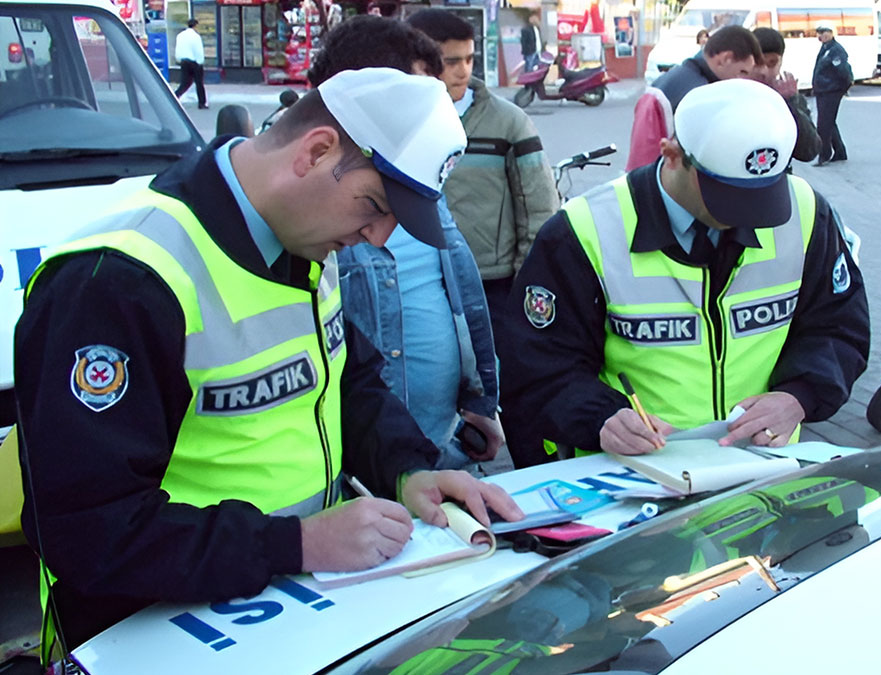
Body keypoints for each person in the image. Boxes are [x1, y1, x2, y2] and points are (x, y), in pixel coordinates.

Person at [15, 68, 523, 657]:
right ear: (316, 151)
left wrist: (409, 471)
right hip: (147, 637)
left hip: (283, 612)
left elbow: (345, 379)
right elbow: (89, 528)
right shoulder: (117, 281)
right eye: (375, 206)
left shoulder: (303, 235)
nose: (377, 237)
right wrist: (297, 544)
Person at [500, 79, 869, 467]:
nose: (746, 216)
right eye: (727, 194)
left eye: (762, 194)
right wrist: (600, 417)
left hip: (761, 464)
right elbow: (536, 364)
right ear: (672, 154)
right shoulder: (586, 229)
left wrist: (799, 397)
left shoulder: (804, 212)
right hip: (633, 473)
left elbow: (838, 325)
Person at [308, 15, 506, 470]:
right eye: (417, 101)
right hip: (368, 467)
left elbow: (461, 292)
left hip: (441, 447)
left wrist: (480, 398)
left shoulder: (415, 174)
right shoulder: (318, 217)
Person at [407, 9, 559, 384]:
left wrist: (525, 279)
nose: (462, 71)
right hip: (418, 283)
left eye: (469, 59)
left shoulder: (508, 122)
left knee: (498, 385)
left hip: (492, 285)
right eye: (451, 61)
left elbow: (539, 207)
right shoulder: (399, 121)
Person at [626, 25, 762, 170]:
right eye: (742, 72)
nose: (743, 80)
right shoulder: (701, 95)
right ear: (725, 59)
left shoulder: (674, 80)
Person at [752, 27, 820, 163]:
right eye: (758, 63)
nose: (764, 71)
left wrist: (790, 103)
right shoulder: (733, 91)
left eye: (772, 63)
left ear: (781, 62)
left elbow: (809, 151)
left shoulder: (789, 96)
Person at [812, 22, 852, 166]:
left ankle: (824, 154)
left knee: (823, 124)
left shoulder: (836, 50)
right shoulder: (825, 48)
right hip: (823, 90)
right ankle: (840, 151)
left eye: (824, 32)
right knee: (829, 122)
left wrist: (843, 87)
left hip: (831, 90)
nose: (821, 35)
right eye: (819, 33)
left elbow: (843, 71)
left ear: (831, 33)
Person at [173, 18, 207, 109]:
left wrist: (178, 58)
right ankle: (202, 103)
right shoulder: (196, 36)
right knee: (199, 83)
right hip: (194, 62)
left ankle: (175, 96)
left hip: (184, 61)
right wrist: (200, 61)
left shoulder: (180, 35)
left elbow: (178, 48)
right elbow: (198, 50)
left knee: (185, 82)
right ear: (195, 26)